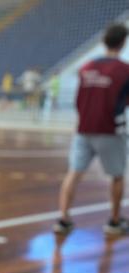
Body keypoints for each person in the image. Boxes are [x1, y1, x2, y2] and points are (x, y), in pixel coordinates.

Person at [54, 23, 129, 236]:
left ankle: (63, 219)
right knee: (116, 176)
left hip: (83, 129)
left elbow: (80, 100)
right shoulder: (125, 71)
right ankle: (114, 222)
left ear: (104, 41)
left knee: (74, 173)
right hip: (110, 131)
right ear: (123, 42)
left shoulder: (86, 68)